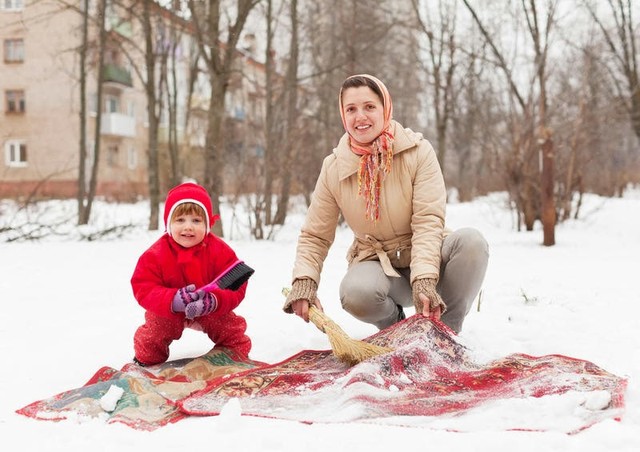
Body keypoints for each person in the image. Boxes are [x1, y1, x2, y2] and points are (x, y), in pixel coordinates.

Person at [283, 74, 489, 333]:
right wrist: (304, 281)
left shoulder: (418, 151)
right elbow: (316, 234)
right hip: (380, 265)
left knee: (472, 242)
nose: (360, 117)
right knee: (355, 292)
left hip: (426, 256)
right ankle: (396, 330)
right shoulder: (335, 167)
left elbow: (428, 220)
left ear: (385, 108)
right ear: (342, 114)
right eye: (351, 109)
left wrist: (425, 278)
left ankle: (445, 332)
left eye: (369, 106)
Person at [131, 182, 251, 366]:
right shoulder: (155, 255)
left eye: (196, 221)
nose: (188, 227)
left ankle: (234, 355)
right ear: (169, 224)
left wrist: (215, 301)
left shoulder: (219, 251)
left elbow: (237, 284)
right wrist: (172, 300)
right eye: (180, 220)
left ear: (207, 224)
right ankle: (146, 360)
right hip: (169, 311)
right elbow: (143, 286)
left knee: (229, 326)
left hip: (208, 308)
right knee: (155, 331)